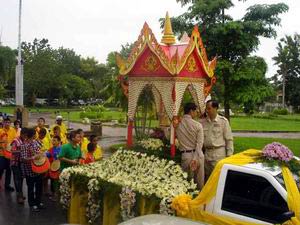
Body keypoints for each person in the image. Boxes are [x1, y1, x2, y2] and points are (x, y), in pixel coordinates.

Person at [200, 100, 234, 179]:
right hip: (207, 154)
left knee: (218, 178)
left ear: (216, 108)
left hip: (218, 154)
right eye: (206, 109)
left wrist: (229, 156)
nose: (207, 111)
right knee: (207, 178)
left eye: (209, 108)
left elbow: (229, 140)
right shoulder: (202, 122)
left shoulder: (223, 122)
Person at [176, 102, 205, 190]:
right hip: (198, 156)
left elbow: (168, 135)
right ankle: (200, 201)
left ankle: (187, 201)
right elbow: (199, 144)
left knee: (186, 183)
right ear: (191, 111)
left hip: (186, 156)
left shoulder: (177, 124)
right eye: (195, 111)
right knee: (199, 184)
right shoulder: (197, 125)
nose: (196, 113)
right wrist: (195, 159)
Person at [20, 128, 44, 212]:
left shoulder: (35, 142)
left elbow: (40, 151)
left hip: (39, 169)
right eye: (35, 133)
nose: (36, 135)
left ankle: (38, 202)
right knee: (30, 188)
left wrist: (40, 154)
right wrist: (33, 157)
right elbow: (23, 159)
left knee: (39, 187)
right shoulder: (24, 145)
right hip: (29, 170)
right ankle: (32, 204)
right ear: (33, 135)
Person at [10, 127, 28, 204]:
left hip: (21, 163)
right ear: (22, 134)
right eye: (25, 135)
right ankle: (19, 196)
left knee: (21, 178)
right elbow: (13, 151)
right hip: (15, 163)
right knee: (17, 179)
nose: (25, 137)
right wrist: (21, 150)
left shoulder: (25, 140)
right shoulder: (15, 141)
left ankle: (20, 193)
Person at [0, 118, 17, 191]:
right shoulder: (0, 131)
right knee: (0, 169)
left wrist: (12, 145)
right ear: (3, 123)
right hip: (1, 153)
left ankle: (7, 185)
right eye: (6, 122)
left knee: (9, 169)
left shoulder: (13, 130)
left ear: (10, 123)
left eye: (9, 122)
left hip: (10, 153)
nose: (7, 123)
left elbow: (15, 140)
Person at [46, 135, 61, 201]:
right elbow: (46, 154)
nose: (53, 142)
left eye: (54, 140)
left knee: (58, 182)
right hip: (52, 168)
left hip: (59, 168)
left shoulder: (62, 149)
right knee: (53, 181)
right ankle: (54, 194)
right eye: (52, 140)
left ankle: (57, 195)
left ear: (59, 141)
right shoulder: (51, 149)